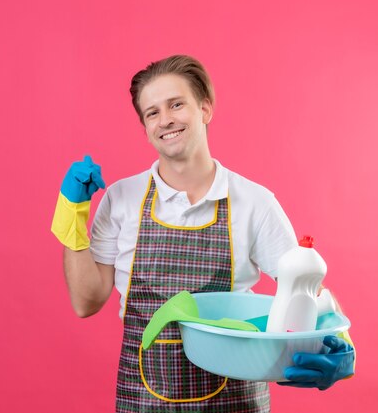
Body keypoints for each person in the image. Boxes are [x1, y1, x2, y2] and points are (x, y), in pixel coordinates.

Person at [51, 55, 355, 412]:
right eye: (152, 112)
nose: (165, 120)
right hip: (143, 400)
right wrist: (71, 215)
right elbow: (86, 302)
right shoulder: (121, 198)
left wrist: (341, 346)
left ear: (205, 109)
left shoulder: (254, 202)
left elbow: (307, 292)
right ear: (146, 126)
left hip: (237, 401)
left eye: (176, 104)